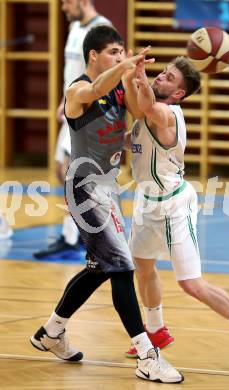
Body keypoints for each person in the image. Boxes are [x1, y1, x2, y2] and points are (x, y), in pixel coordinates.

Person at [30, 25, 183, 384]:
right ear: (94, 55)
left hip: (107, 188)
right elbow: (96, 89)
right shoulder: (77, 90)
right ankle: (147, 354)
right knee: (122, 268)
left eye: (122, 50)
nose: (120, 56)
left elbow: (140, 110)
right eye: (114, 51)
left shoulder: (118, 85)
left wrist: (138, 78)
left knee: (102, 267)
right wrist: (124, 66)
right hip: (84, 188)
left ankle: (51, 333)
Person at [124, 56, 229, 374]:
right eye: (162, 72)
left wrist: (137, 72)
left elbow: (148, 108)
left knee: (191, 284)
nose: (160, 77)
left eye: (168, 77)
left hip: (174, 205)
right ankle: (155, 331)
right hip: (146, 201)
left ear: (179, 94)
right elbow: (137, 106)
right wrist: (127, 70)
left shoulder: (167, 114)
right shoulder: (149, 108)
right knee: (143, 267)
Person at [34, 0, 112, 259]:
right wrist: (64, 101)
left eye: (67, 2)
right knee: (61, 171)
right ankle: (79, 231)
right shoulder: (75, 28)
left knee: (73, 172)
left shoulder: (102, 28)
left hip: (86, 111)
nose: (64, 8)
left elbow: (105, 76)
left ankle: (74, 237)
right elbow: (73, 73)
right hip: (72, 105)